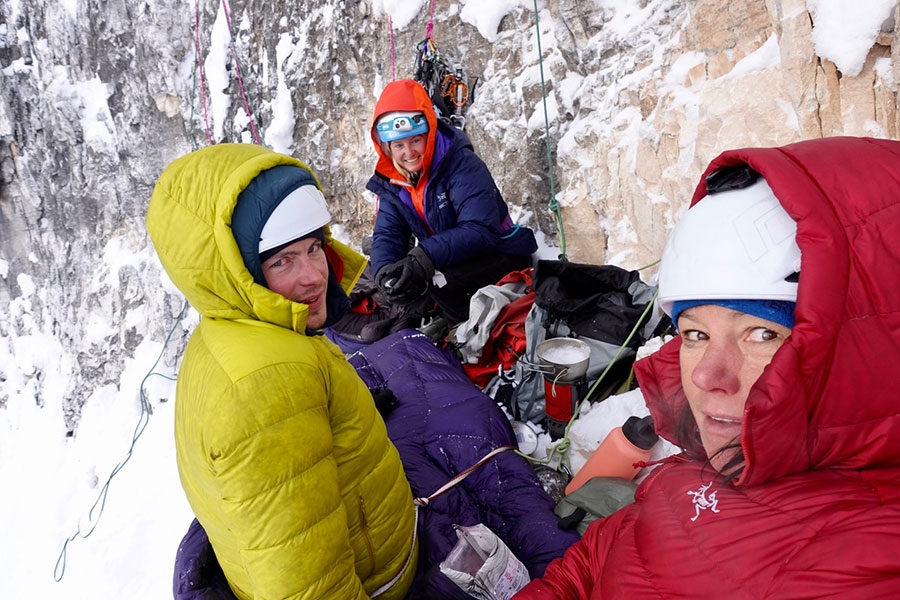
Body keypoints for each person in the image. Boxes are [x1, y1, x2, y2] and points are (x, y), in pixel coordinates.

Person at [514, 136, 900, 598]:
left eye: (763, 334)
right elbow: (608, 547)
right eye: (695, 334)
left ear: (865, 349)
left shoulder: (867, 561)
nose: (703, 376)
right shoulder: (713, 457)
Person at [146, 143, 418, 600]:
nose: (315, 275)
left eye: (314, 248)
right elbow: (307, 587)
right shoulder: (264, 389)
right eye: (282, 260)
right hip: (380, 583)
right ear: (240, 271)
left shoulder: (225, 332)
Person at [366, 79, 538, 326]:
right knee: (412, 287)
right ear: (387, 148)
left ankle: (462, 335)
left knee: (437, 282)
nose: (409, 153)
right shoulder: (395, 183)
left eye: (416, 140)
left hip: (501, 253)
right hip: (451, 258)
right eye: (399, 145)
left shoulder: (460, 164)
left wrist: (423, 256)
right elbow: (387, 234)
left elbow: (480, 230)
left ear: (429, 135)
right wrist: (385, 272)